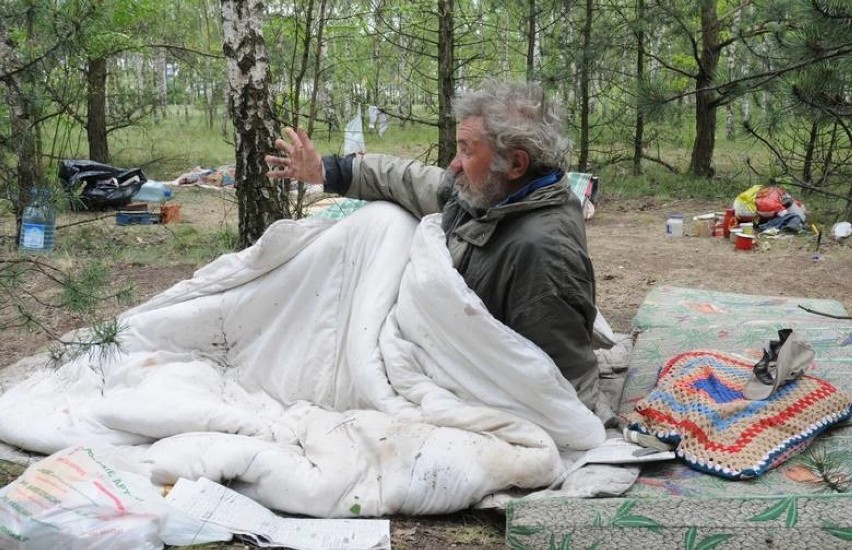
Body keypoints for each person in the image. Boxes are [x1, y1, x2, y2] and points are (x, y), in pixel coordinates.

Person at [266, 81, 604, 413]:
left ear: (516, 164)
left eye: (466, 149)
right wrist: (325, 170)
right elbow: (410, 179)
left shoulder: (542, 253)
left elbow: (558, 387)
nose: (454, 163)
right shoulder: (491, 191)